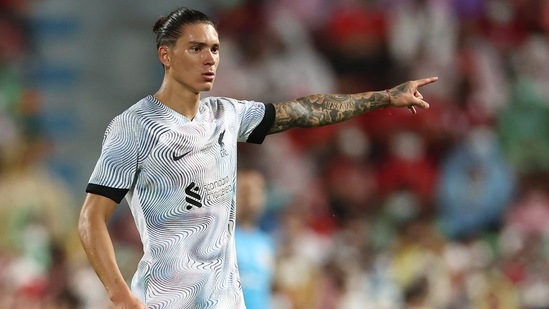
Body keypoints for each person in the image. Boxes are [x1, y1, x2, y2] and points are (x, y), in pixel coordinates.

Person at [77, 7, 438, 309]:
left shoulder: (226, 115)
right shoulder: (135, 127)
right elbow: (92, 217)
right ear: (165, 55)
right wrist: (120, 295)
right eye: (196, 48)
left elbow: (302, 111)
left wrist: (384, 96)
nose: (210, 59)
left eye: (216, 49)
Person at [234, 168, 275, 309]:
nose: (253, 198)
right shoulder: (225, 239)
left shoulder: (265, 241)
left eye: (258, 191)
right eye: (247, 191)